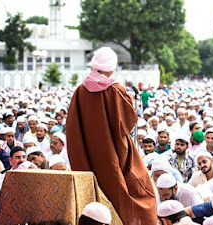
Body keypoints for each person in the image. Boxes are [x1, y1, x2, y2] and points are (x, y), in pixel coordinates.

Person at [67, 47, 156, 224]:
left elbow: (72, 127)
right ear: (111, 67)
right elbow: (126, 124)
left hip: (87, 155)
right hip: (113, 152)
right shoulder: (115, 90)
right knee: (135, 191)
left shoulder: (80, 91)